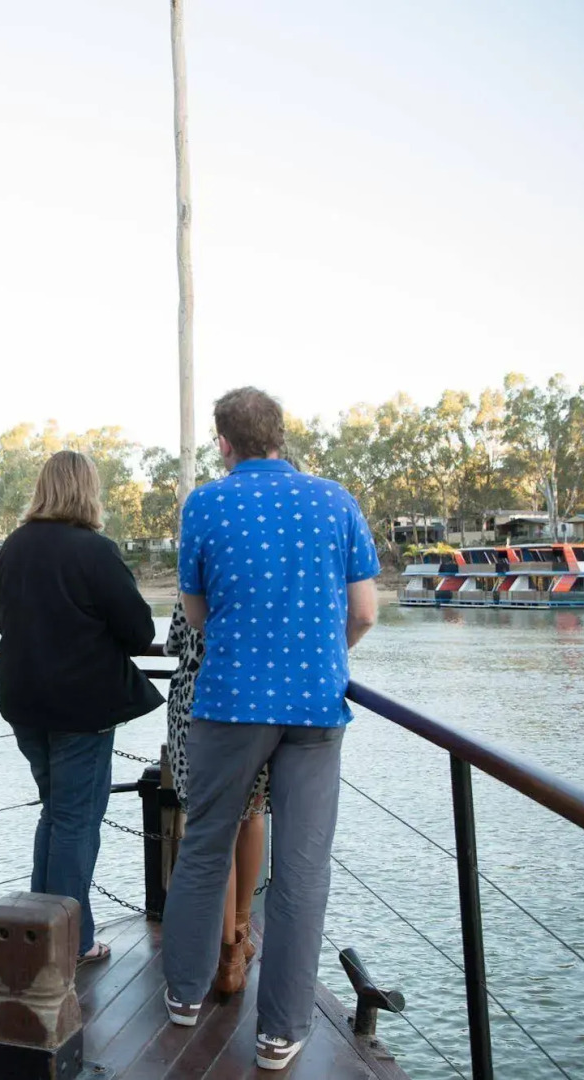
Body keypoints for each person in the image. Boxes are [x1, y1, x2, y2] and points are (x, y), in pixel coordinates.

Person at [161, 388, 379, 1072]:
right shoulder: (334, 500)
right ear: (280, 437)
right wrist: (322, 656)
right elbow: (365, 611)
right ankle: (280, 1031)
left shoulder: (206, 503)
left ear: (222, 443)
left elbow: (195, 611)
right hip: (314, 704)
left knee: (204, 845)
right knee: (301, 871)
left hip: (228, 702)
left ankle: (182, 996)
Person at [0, 450, 163, 965]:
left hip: (25, 705)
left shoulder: (14, 547)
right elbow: (139, 631)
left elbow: (2, 618)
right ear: (87, 490)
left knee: (56, 815)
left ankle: (41, 933)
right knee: (76, 823)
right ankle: (68, 944)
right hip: (80, 712)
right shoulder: (93, 551)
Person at [163, 598, 268, 996]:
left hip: (195, 706)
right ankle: (240, 938)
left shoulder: (200, 563)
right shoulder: (266, 570)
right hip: (254, 703)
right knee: (252, 814)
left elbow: (175, 641)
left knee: (211, 829)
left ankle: (227, 956)